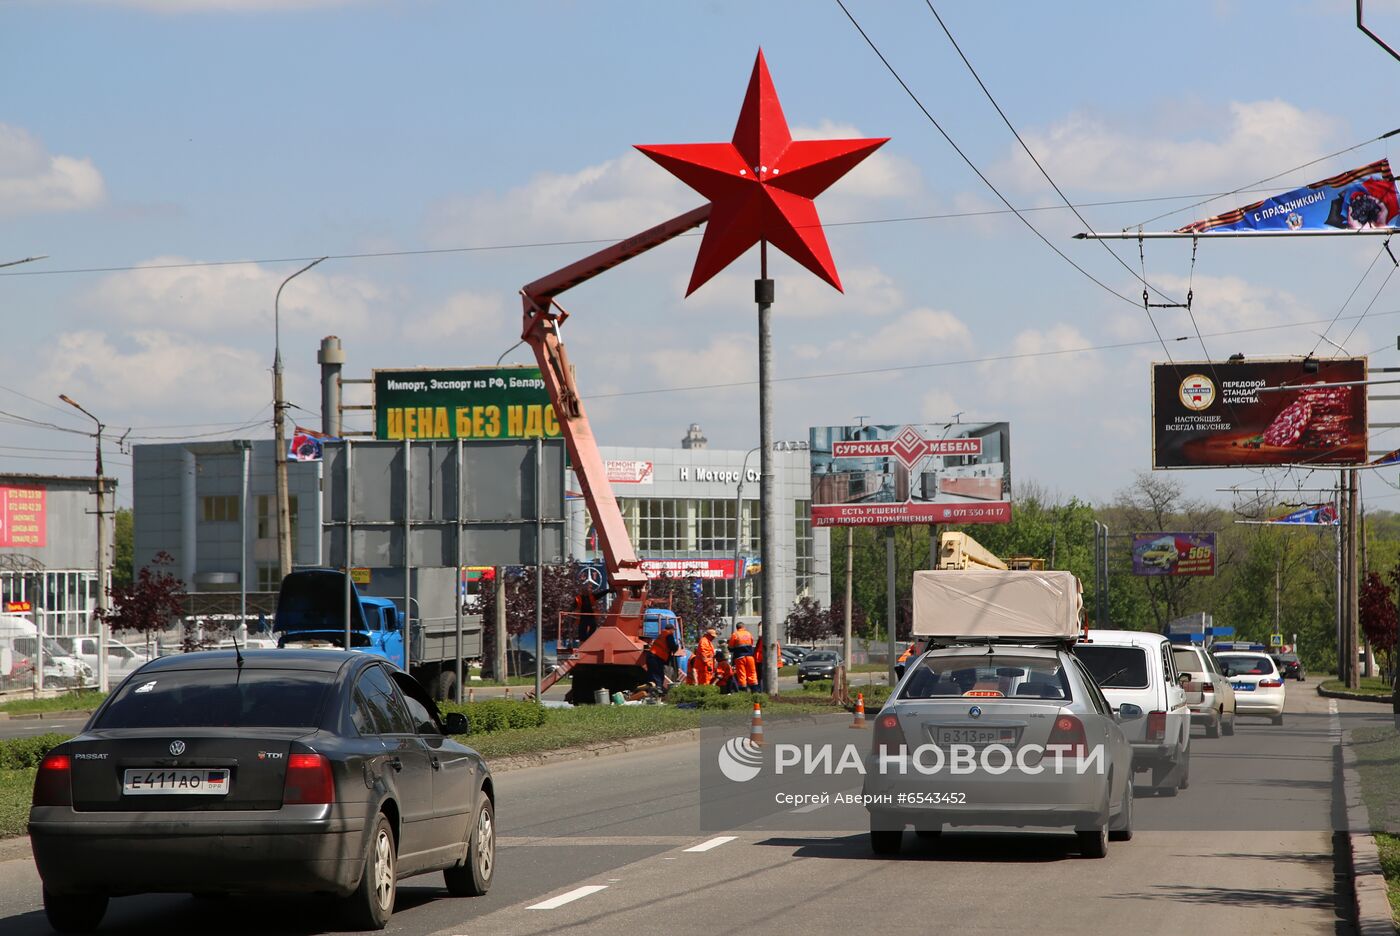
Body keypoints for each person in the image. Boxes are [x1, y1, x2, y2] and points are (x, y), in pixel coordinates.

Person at [646, 623, 678, 692]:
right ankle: (658, 691)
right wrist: (676, 647)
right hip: (656, 657)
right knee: (658, 675)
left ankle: (652, 691)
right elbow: (672, 646)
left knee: (653, 675)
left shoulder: (661, 635)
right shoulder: (669, 635)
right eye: (673, 630)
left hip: (651, 656)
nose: (674, 632)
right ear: (671, 630)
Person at [728, 623, 757, 693]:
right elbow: (751, 643)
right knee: (752, 673)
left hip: (740, 657)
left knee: (742, 674)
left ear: (737, 627)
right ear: (743, 627)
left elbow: (730, 647)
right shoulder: (748, 634)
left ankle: (744, 691)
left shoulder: (735, 634)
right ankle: (754, 691)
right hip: (750, 656)